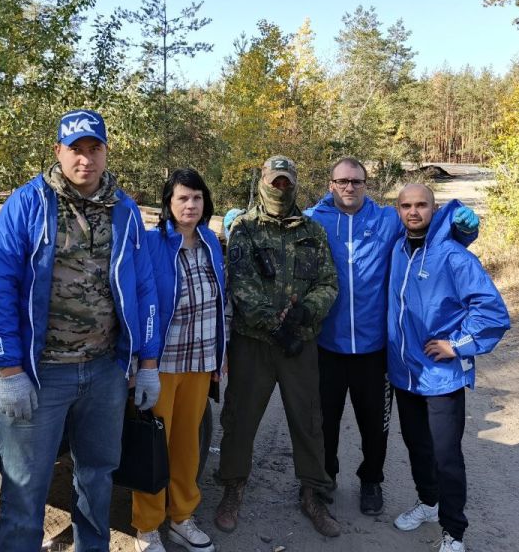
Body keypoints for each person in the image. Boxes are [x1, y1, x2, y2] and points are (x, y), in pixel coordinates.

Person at [0, 109, 161, 552]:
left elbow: (144, 285)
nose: (85, 159)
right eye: (75, 149)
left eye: (93, 148)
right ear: (58, 151)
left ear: (105, 151)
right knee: (25, 489)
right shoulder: (29, 203)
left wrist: (148, 360)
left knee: (97, 479)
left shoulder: (124, 209)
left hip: (105, 372)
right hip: (42, 375)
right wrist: (10, 370)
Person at [305, 158, 479, 515]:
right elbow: (280, 226)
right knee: (325, 420)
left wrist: (465, 232)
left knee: (375, 424)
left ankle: (371, 480)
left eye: (356, 181)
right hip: (328, 346)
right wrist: (238, 222)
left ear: (366, 184)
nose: (349, 187)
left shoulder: (386, 219)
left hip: (376, 349)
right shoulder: (314, 220)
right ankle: (326, 477)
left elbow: (429, 232)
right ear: (331, 184)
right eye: (342, 181)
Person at [214, 155, 341, 537]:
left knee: (308, 420)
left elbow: (328, 282)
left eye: (287, 183)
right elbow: (241, 285)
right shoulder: (245, 228)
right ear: (262, 183)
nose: (280, 189)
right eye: (275, 182)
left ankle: (312, 494)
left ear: (295, 184)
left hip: (300, 344)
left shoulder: (312, 231)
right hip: (254, 344)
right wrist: (275, 325)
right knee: (240, 419)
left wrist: (306, 315)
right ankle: (233, 489)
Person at [387, 184, 510, 552]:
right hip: (405, 373)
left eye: (421, 205)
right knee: (416, 446)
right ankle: (428, 503)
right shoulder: (397, 249)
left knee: (446, 456)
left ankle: (453, 532)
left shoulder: (454, 257)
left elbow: (492, 312)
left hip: (441, 377)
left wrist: (456, 345)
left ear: (434, 209)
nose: (413, 212)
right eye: (406, 206)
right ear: (398, 211)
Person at [133, 168, 226, 552]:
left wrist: (223, 353)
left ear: (206, 203)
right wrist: (140, 363)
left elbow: (223, 299)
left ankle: (182, 517)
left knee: (188, 444)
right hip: (162, 364)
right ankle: (147, 526)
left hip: (201, 359)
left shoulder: (210, 242)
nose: (190, 205)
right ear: (168, 204)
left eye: (197, 198)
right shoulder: (154, 244)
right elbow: (141, 303)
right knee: (153, 446)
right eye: (182, 198)